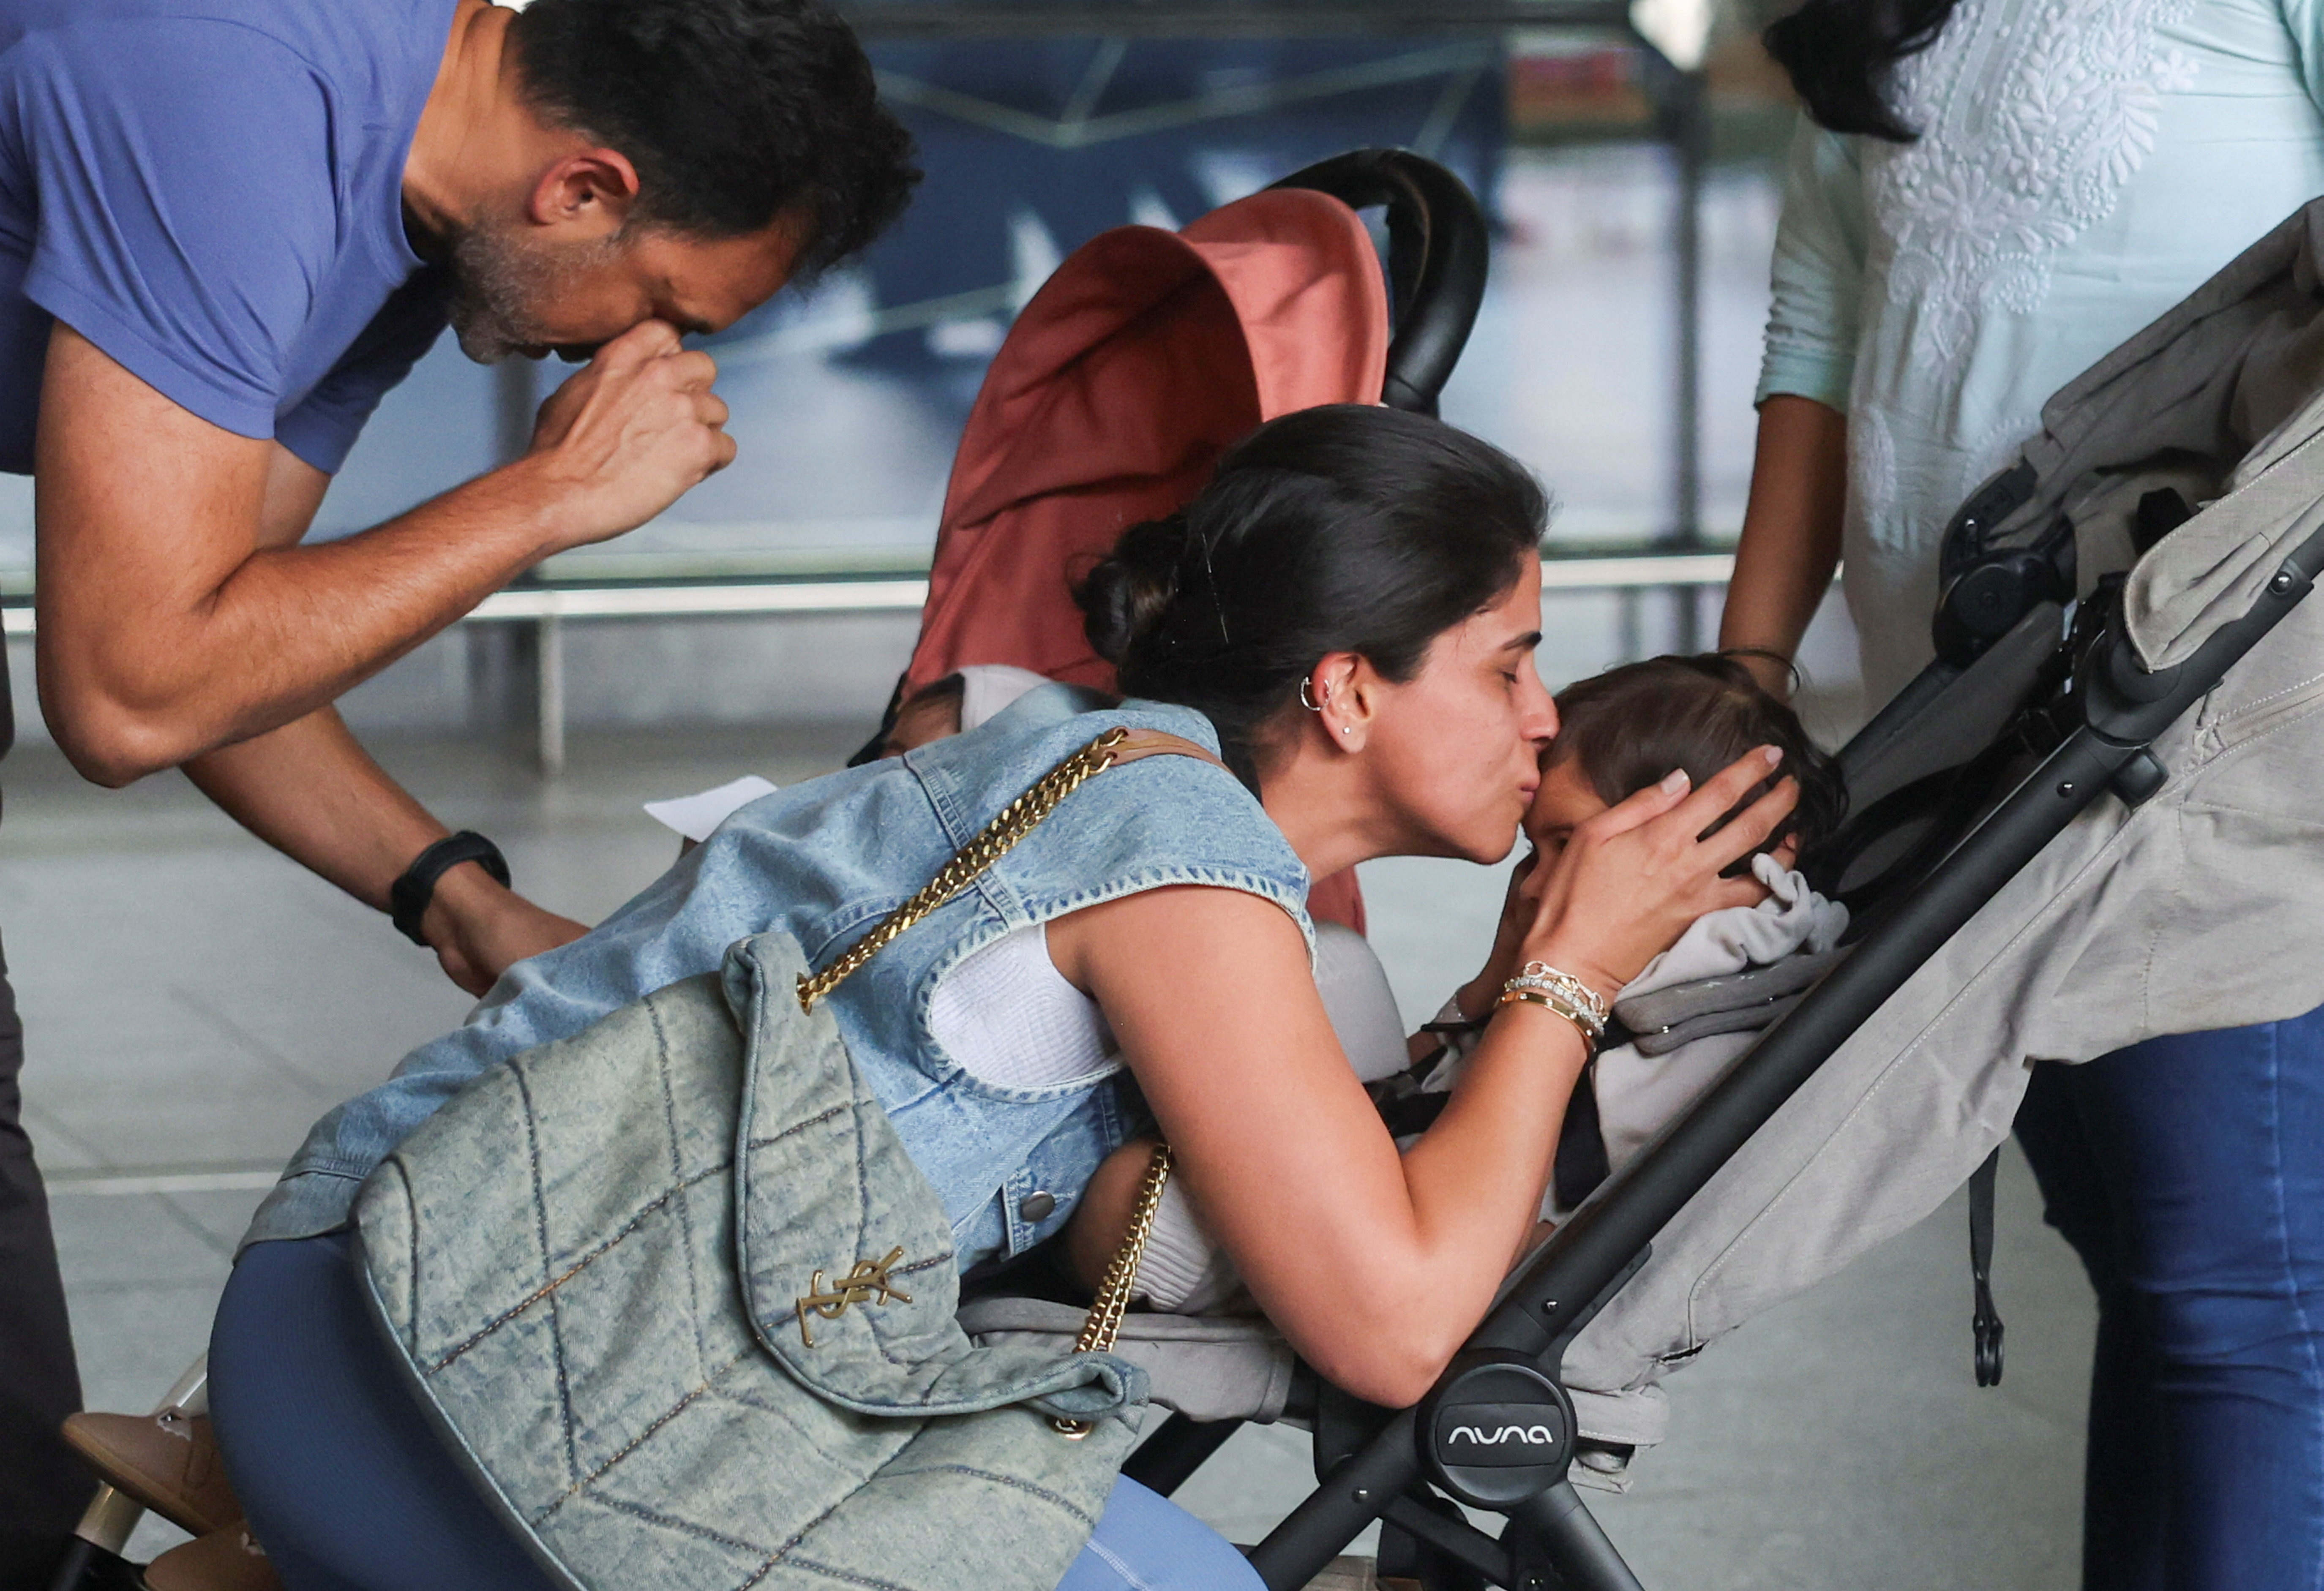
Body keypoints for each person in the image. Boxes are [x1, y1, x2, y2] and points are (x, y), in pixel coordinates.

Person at [209, 404, 1798, 1590]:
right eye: (1510, 662)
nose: (1543, 717)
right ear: (1349, 687)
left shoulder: (1084, 764)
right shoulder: (1180, 854)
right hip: (452, 1359)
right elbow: (1393, 1324)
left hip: (391, 1287)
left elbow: (1136, 1216)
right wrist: (1569, 969)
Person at [0, 0, 916, 1574]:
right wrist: (551, 495)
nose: (646, 359)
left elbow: (228, 652)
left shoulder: (414, 239)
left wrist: (465, 899)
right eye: (664, 305)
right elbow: (128, 687)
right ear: (584, 189)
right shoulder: (233, 87)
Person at [1719, 3, 2324, 1584]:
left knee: (2237, 1294)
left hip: (2211, 728)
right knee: (2144, 1266)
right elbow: (1820, 329)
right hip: (1964, 741)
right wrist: (1746, 674)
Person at [1077, 650, 1849, 1314]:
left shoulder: (1704, 977)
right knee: (1332, 960)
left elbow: (1571, 1208)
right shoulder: (1728, 940)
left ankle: (1268, 1273)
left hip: (1436, 1242)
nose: (1540, 884)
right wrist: (1493, 989)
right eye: (1538, 852)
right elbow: (1434, 1085)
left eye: (1571, 847)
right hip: (1409, 1174)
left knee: (1133, 1205)